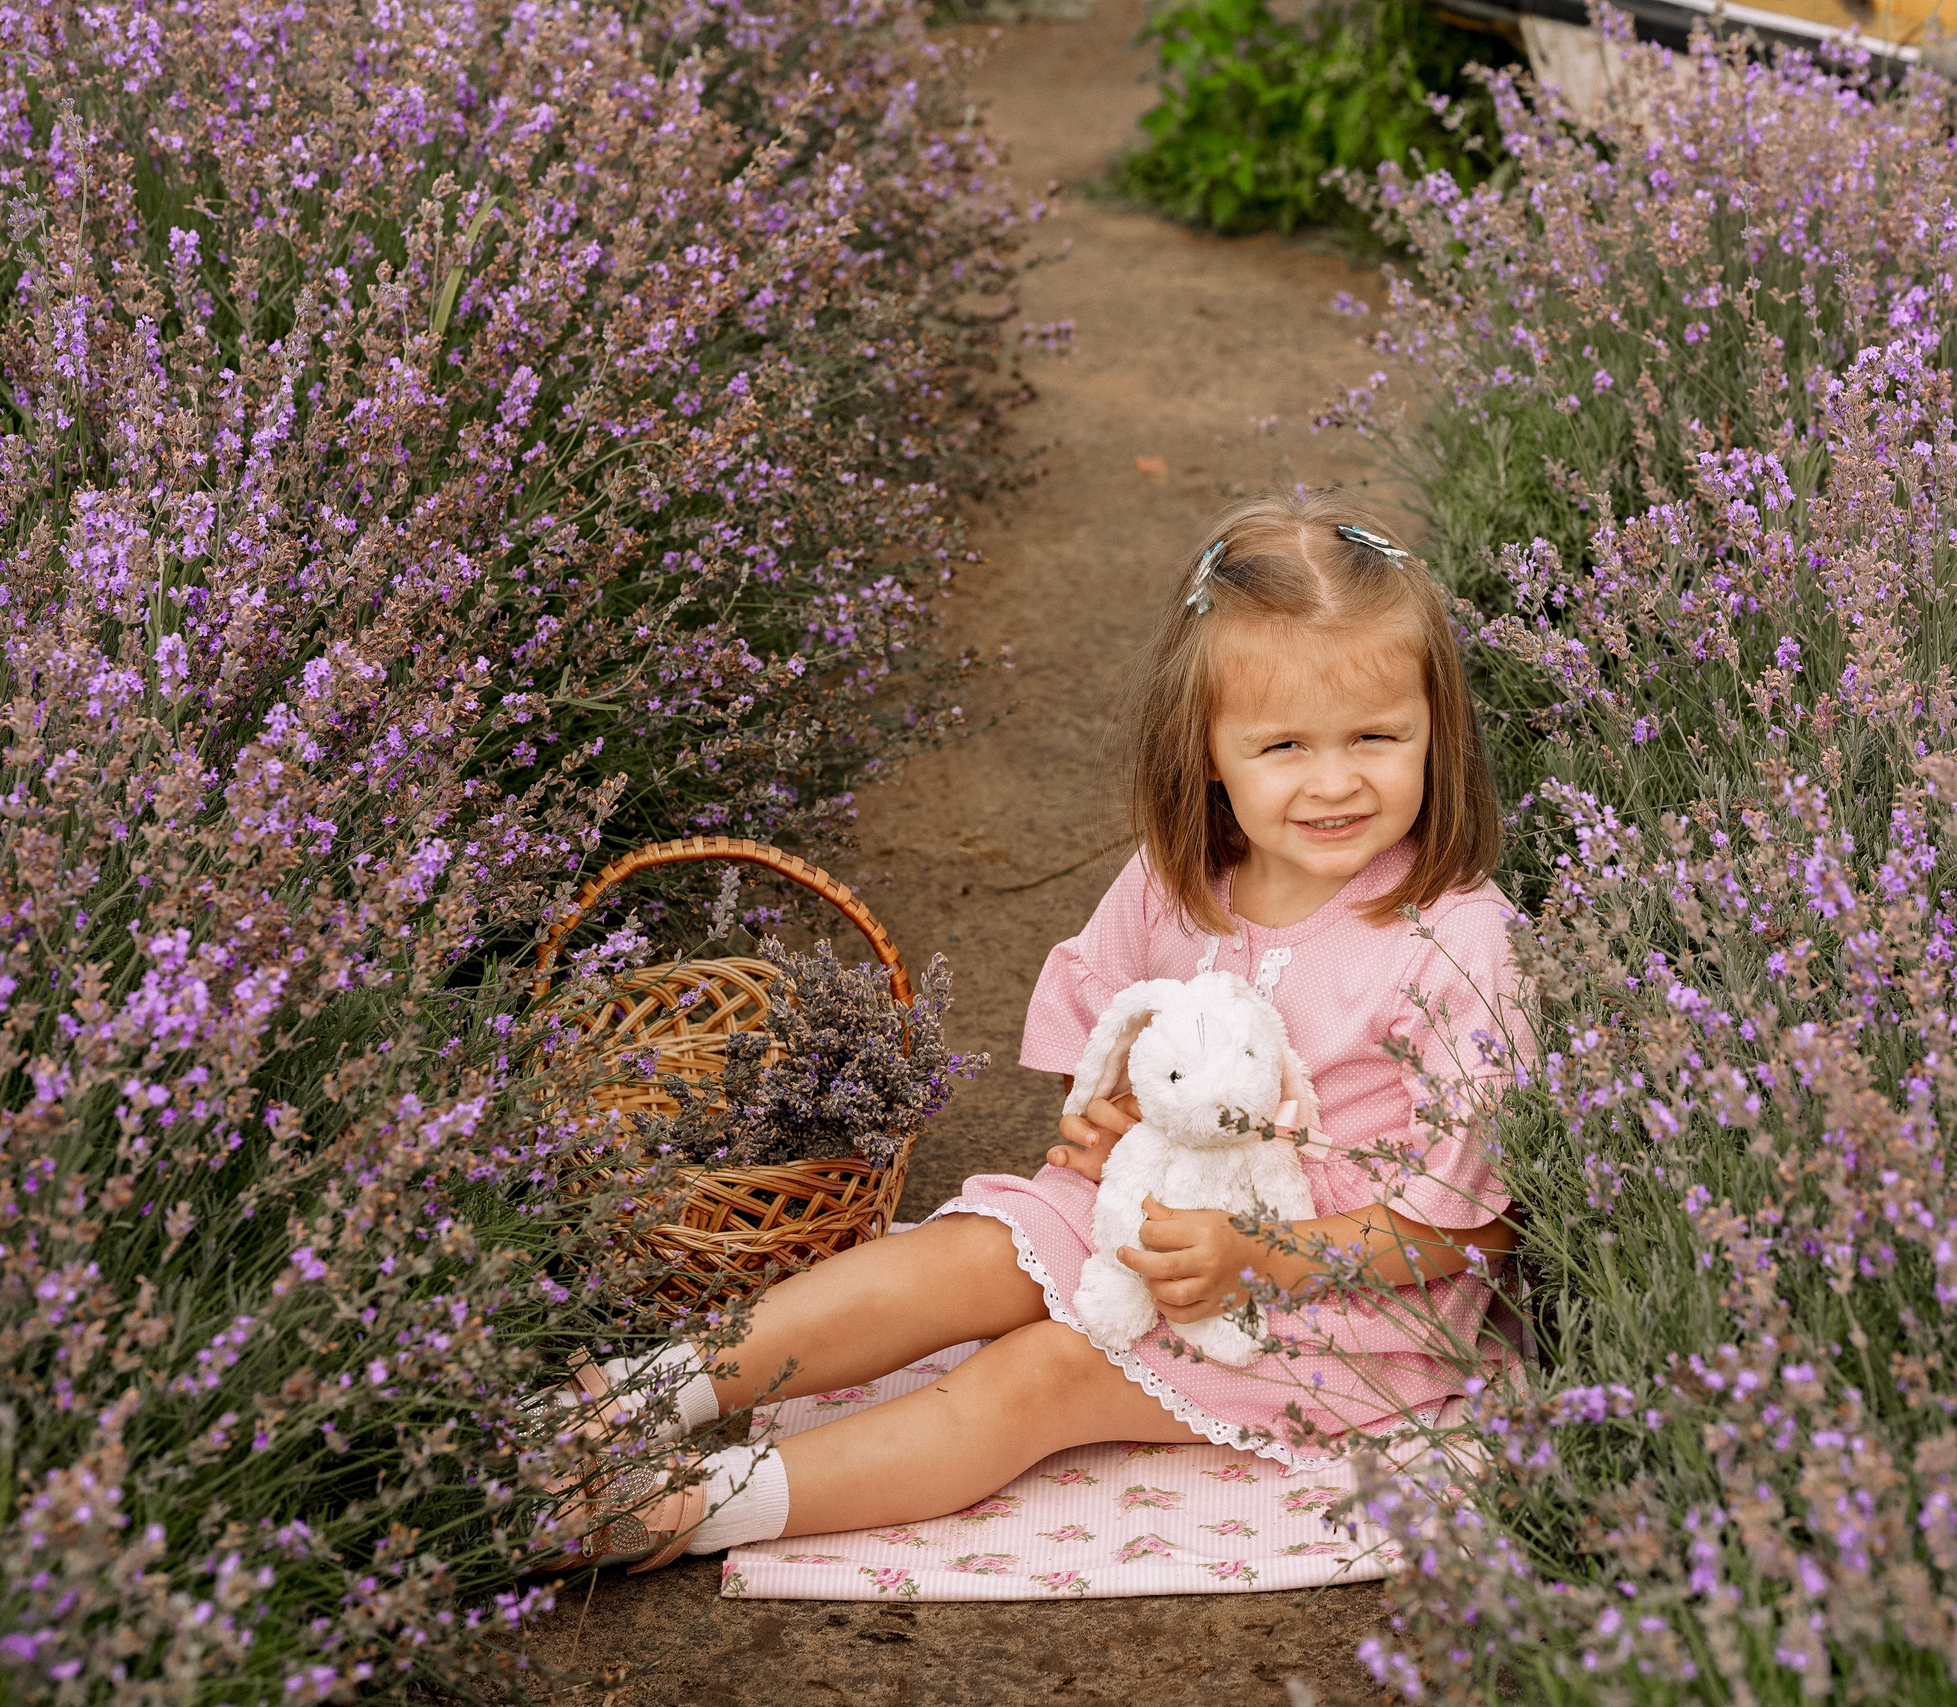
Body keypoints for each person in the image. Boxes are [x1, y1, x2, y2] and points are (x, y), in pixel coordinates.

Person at [551, 492, 1531, 1572]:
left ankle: (682, 1509)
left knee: (1039, 1376)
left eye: (1377, 737)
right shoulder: (1178, 882)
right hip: (1144, 1211)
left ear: (1434, 729)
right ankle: (622, 1402)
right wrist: (1104, 1115)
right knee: (963, 1255)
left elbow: (1472, 1226)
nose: (1336, 779)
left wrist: (1261, 1256)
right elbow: (1104, 1045)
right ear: (1206, 750)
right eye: (1284, 744)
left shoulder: (1453, 939)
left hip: (1335, 1304)